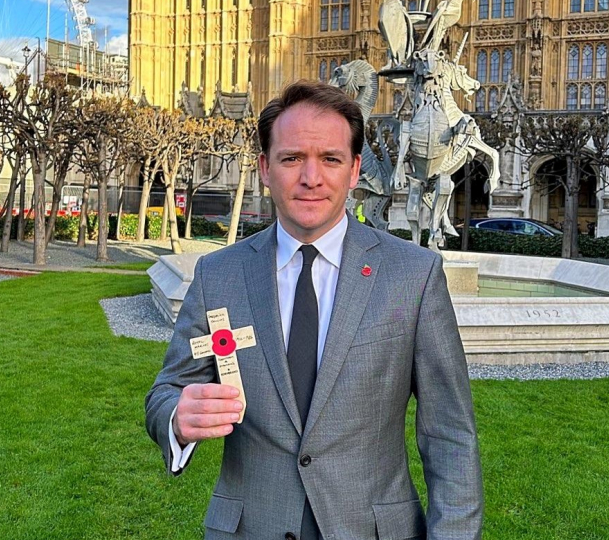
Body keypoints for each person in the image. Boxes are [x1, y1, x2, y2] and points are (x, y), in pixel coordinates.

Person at [145, 81, 483, 540]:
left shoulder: (413, 275)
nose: (311, 177)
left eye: (330, 159)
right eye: (291, 158)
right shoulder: (218, 275)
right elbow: (169, 389)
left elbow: (450, 436)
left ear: (354, 169)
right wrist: (177, 418)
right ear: (265, 168)